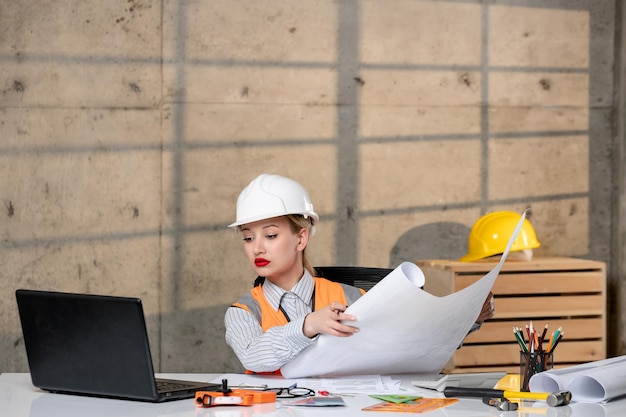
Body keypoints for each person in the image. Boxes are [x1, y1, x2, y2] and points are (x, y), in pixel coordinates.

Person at [225, 173, 495, 374]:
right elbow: (253, 357)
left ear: (300, 239)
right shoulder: (243, 312)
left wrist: (467, 319)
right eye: (248, 238)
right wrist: (309, 325)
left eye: (270, 235)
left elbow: (405, 341)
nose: (257, 248)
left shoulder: (349, 297)